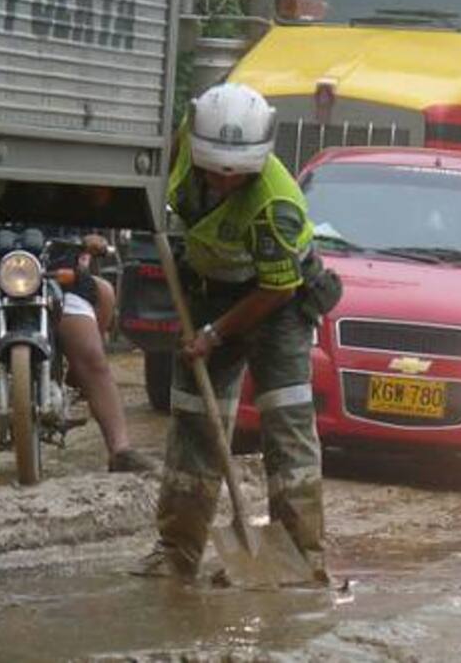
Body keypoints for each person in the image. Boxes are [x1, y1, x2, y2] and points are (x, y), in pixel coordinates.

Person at [133, 83, 336, 585]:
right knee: (195, 421)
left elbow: (275, 291)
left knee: (285, 424)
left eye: (236, 177)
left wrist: (214, 335)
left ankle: (300, 557)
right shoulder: (185, 145)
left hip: (279, 301)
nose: (222, 185)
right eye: (212, 173)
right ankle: (177, 551)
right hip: (208, 288)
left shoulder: (277, 205)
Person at [51, 232, 155, 474]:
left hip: (62, 285)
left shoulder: (68, 202)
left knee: (93, 360)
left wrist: (91, 240)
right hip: (1, 282)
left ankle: (120, 451)